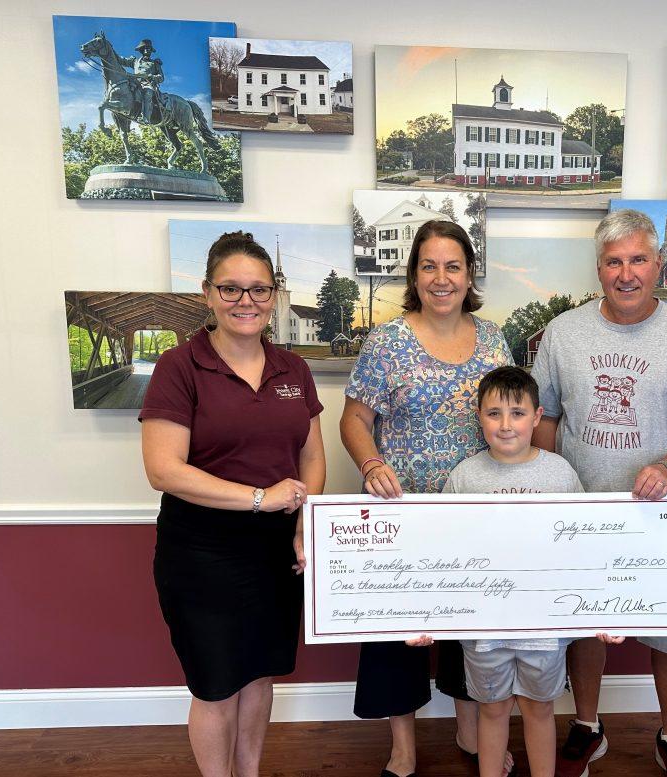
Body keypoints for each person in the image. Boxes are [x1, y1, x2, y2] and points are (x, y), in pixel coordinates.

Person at [531, 209, 667, 777]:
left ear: (658, 265)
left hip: (661, 514)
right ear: (599, 268)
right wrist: (554, 476)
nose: (627, 273)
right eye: (615, 261)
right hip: (582, 508)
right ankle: (588, 725)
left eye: (638, 260)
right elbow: (544, 415)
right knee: (584, 622)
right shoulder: (563, 333)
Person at [140, 231, 326, 777]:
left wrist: (301, 522)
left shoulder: (294, 369)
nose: (246, 301)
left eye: (259, 289)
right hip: (202, 551)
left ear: (273, 295)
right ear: (206, 293)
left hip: (276, 549)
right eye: (231, 289)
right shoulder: (179, 366)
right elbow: (163, 469)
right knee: (217, 684)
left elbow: (312, 457)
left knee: (260, 674)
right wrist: (258, 498)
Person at [340, 220, 515, 777]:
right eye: (429, 266)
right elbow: (354, 418)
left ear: (470, 274)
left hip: (476, 514)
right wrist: (371, 464)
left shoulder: (493, 340)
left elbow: (512, 417)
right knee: (400, 635)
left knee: (475, 626)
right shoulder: (387, 342)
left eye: (453, 266)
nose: (442, 278)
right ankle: (403, 746)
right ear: (415, 275)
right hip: (404, 515)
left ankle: (470, 730)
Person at [430, 366, 620, 777]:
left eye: (517, 413)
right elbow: (444, 553)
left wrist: (603, 611)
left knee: (539, 709)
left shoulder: (560, 474)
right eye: (494, 413)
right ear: (478, 416)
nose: (505, 424)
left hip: (544, 631)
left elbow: (584, 549)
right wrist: (428, 616)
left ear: (537, 416)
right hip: (484, 631)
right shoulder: (465, 478)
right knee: (493, 709)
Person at [119, 38, 164, 123]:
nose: (147, 50)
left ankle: (146, 119)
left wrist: (152, 77)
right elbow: (121, 60)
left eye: (149, 48)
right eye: (145, 48)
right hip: (135, 83)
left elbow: (161, 77)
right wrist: (109, 51)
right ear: (142, 50)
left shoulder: (155, 63)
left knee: (147, 93)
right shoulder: (135, 61)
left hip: (148, 84)